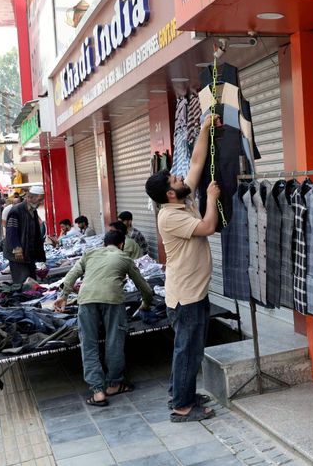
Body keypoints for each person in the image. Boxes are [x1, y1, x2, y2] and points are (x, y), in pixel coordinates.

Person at [145, 114, 220, 422]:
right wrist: (212, 198)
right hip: (186, 297)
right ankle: (182, 407)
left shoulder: (180, 200)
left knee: (186, 349)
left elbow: (196, 164)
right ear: (170, 194)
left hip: (191, 292)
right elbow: (207, 227)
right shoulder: (170, 216)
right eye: (174, 180)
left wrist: (203, 128)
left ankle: (181, 393)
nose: (180, 178)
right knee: (188, 351)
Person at [54, 230, 154, 407]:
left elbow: (72, 275)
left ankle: (98, 392)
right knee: (114, 341)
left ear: (104, 244)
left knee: (88, 344)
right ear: (122, 244)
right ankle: (114, 384)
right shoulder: (124, 258)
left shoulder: (90, 254)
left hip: (86, 300)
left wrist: (63, 296)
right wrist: (146, 303)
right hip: (113, 300)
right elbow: (144, 287)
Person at [3, 186, 46, 284]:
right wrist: (17, 249)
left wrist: (40, 254)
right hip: (18, 255)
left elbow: (36, 233)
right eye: (39, 200)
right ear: (30, 197)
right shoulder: (16, 210)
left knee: (32, 281)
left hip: (28, 253)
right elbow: (11, 232)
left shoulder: (33, 211)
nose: (41, 203)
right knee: (23, 282)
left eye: (42, 200)